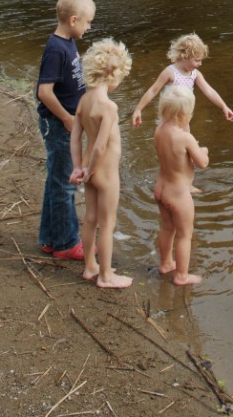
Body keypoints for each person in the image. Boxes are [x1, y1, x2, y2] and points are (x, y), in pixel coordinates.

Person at [70, 38, 133, 289]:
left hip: (89, 170)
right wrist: (93, 169)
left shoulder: (83, 100)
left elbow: (76, 138)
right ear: (113, 76)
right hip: (105, 172)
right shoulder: (108, 106)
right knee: (108, 224)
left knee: (90, 219)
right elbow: (101, 146)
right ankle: (106, 275)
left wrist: (79, 168)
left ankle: (90, 266)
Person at [36, 0, 95, 260]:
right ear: (73, 20)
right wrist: (67, 118)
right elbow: (44, 92)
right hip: (59, 126)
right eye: (87, 22)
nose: (89, 26)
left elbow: (74, 76)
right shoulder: (56, 49)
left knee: (55, 181)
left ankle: (50, 238)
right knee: (64, 184)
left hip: (66, 124)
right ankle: (66, 243)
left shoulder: (69, 43)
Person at [153, 85, 209, 285]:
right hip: (179, 194)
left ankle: (166, 263)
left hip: (161, 189)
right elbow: (202, 163)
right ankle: (182, 276)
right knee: (185, 234)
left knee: (167, 228)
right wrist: (204, 151)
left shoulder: (159, 131)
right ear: (186, 113)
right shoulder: (186, 138)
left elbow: (174, 159)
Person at [132, 33, 233, 127]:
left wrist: (224, 107)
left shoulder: (195, 75)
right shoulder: (170, 72)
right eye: (197, 60)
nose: (200, 64)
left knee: (186, 143)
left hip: (185, 118)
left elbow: (209, 91)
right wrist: (138, 109)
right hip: (168, 119)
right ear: (185, 57)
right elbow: (153, 90)